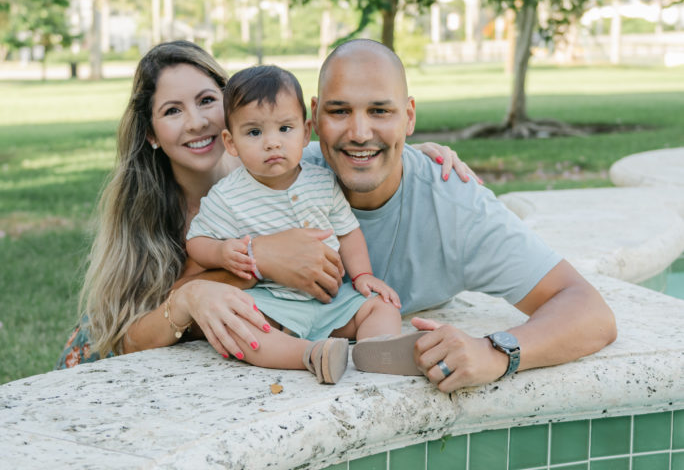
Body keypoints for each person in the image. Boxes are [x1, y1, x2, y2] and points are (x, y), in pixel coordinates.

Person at [57, 41, 463, 368]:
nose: (197, 122)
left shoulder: (278, 162)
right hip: (109, 354)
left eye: (206, 100)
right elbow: (127, 340)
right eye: (172, 111)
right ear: (152, 134)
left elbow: (353, 150)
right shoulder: (148, 213)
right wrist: (245, 265)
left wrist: (413, 156)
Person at [306, 39, 618, 391]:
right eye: (339, 111)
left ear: (408, 117)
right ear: (314, 117)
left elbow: (591, 313)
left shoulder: (455, 204)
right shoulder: (275, 177)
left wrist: (496, 352)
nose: (360, 134)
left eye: (380, 111)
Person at [185, 65, 408, 384]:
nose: (272, 143)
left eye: (284, 129)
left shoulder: (322, 180)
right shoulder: (227, 196)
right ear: (230, 142)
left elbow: (348, 232)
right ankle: (310, 355)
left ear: (306, 132)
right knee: (240, 326)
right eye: (254, 132)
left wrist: (362, 276)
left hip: (332, 301)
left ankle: (375, 351)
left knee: (381, 306)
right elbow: (196, 241)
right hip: (275, 306)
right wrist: (221, 252)